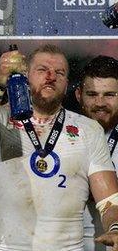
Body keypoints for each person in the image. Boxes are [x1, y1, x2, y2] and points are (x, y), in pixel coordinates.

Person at [0, 44, 118, 250]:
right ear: (25, 76)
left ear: (67, 85)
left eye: (59, 73)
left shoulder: (87, 130)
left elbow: (109, 199)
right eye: (42, 70)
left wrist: (115, 228)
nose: (51, 76)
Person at [75, 56, 118, 251]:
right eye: (92, 94)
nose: (100, 102)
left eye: (109, 94)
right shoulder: (59, 135)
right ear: (78, 95)